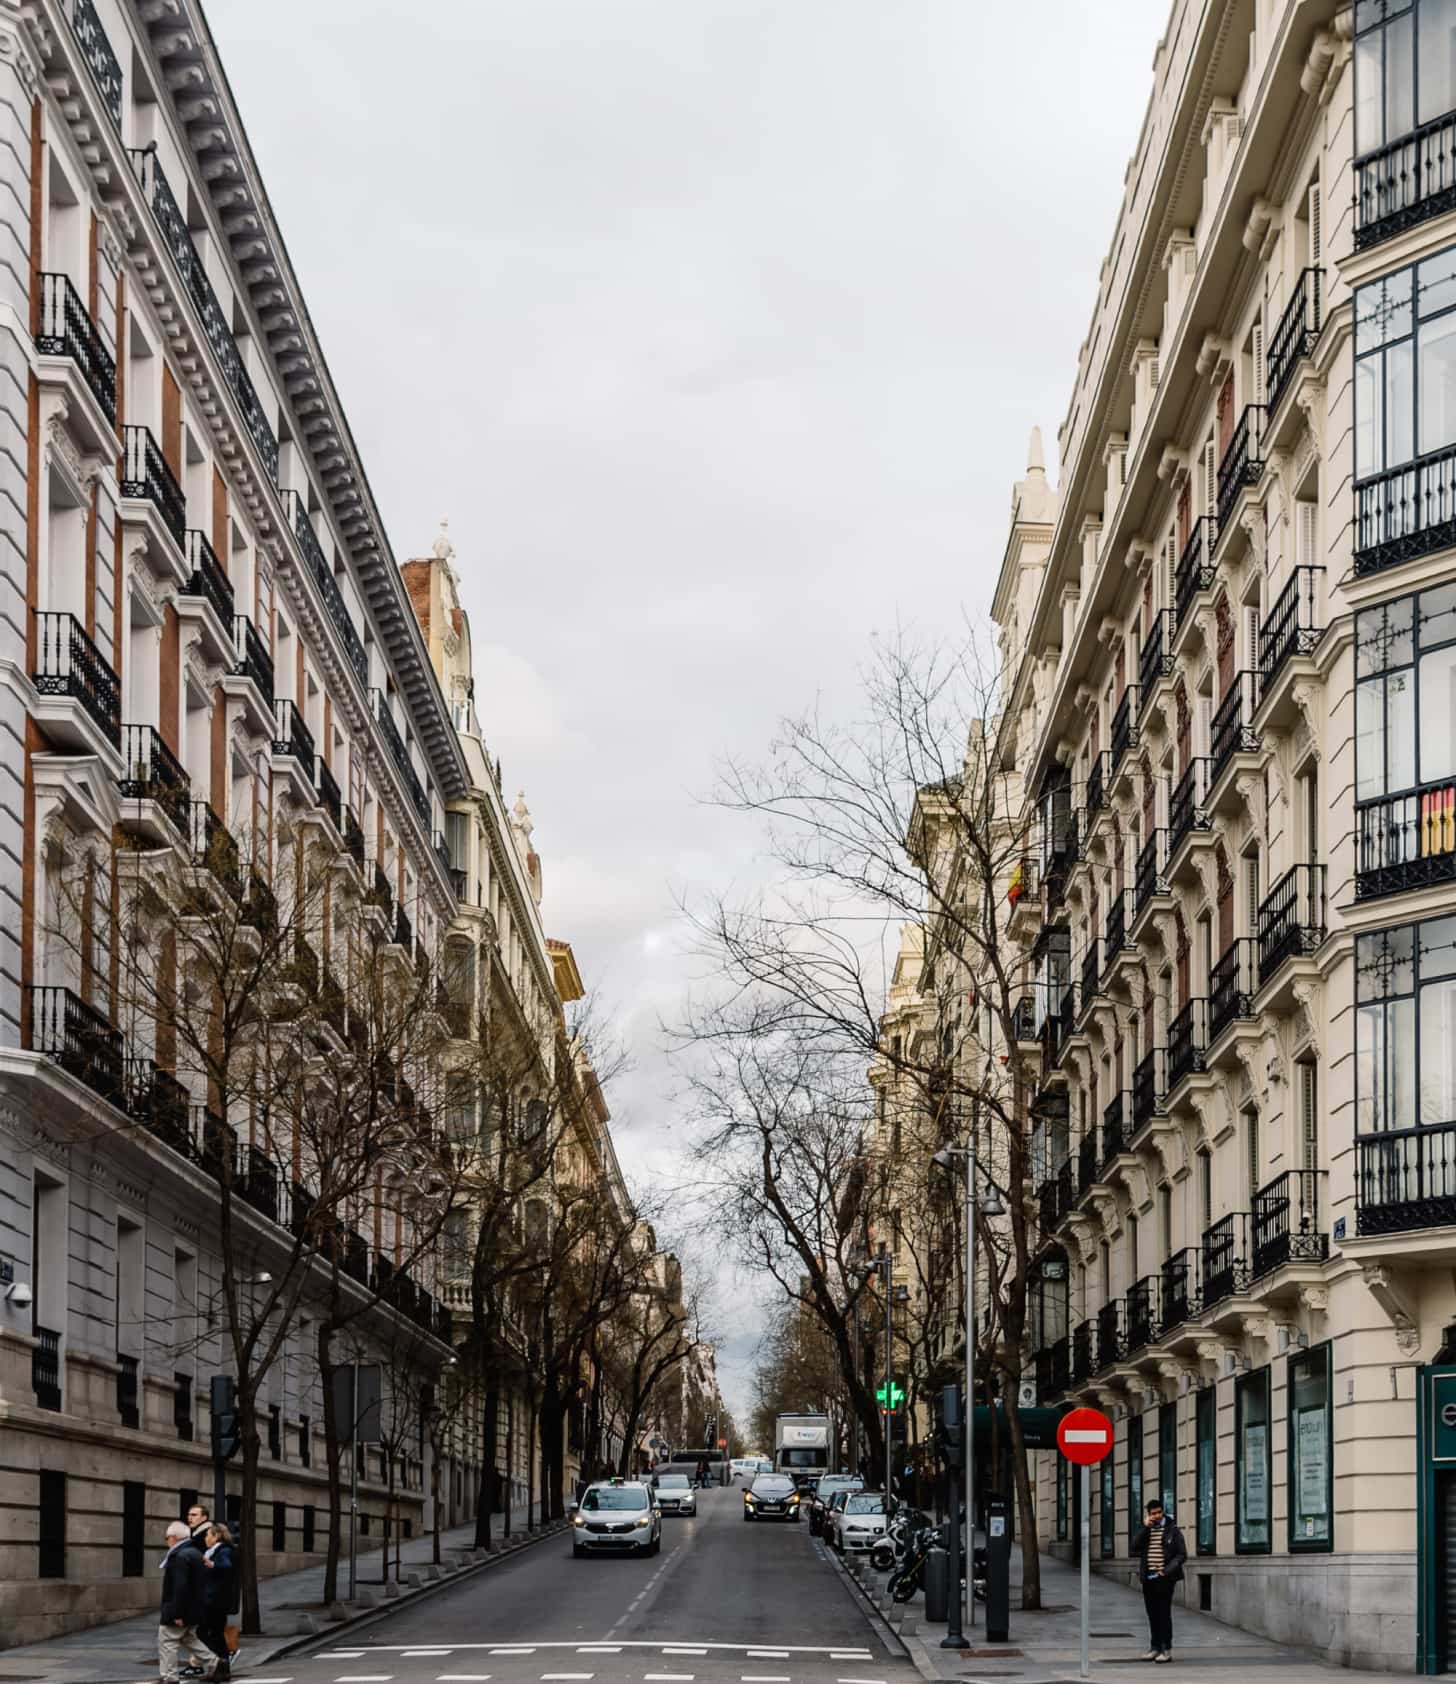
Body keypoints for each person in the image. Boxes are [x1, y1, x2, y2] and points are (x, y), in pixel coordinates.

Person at [157, 1519, 215, 1684]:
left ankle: (169, 1677)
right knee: (189, 1639)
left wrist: (177, 1612)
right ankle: (215, 1663)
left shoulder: (179, 1556)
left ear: (173, 1538)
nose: (166, 1540)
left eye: (166, 1537)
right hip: (193, 1608)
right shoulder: (194, 1553)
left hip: (179, 1608)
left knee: (167, 1641)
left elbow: (180, 1587)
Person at [1131, 1497, 1187, 1663]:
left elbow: (1182, 1554)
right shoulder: (1147, 1530)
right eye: (1153, 1513)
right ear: (1148, 1515)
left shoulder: (1173, 1530)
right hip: (1148, 1579)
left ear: (1163, 1512)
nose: (1156, 1516)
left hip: (1164, 1579)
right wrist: (1145, 1528)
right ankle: (1155, 1648)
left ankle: (1166, 1649)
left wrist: (1166, 1571)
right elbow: (1134, 1547)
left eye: (1159, 1512)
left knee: (1163, 1614)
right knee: (1152, 1614)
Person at [196, 1524, 237, 1682]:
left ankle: (219, 1665)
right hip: (214, 1600)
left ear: (217, 1536)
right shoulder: (215, 1551)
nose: (206, 1538)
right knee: (215, 1634)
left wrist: (211, 1564)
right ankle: (221, 1668)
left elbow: (226, 1565)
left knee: (205, 1633)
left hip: (215, 1601)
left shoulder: (223, 1550)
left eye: (208, 1535)